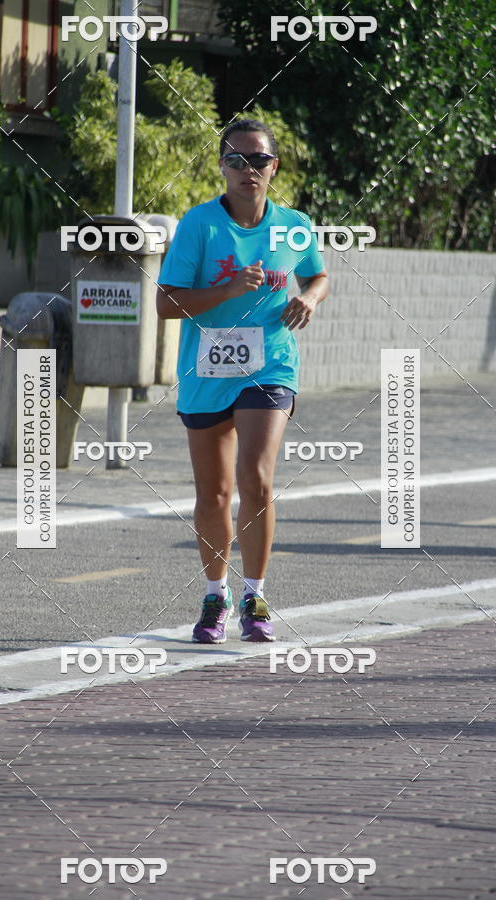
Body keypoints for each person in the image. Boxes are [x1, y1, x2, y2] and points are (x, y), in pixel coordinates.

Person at [156, 119, 329, 643]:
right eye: (236, 160)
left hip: (269, 366)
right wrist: (228, 290)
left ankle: (255, 594)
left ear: (274, 167)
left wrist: (309, 298)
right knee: (214, 494)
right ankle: (216, 596)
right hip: (207, 371)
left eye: (258, 160)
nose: (247, 170)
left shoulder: (293, 225)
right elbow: (166, 302)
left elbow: (318, 274)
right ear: (222, 166)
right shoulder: (200, 225)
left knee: (256, 478)